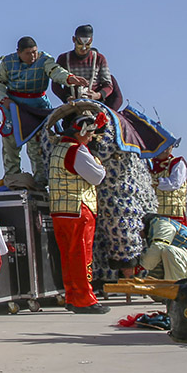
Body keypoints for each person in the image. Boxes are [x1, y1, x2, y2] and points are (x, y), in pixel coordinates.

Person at [0, 36, 88, 188]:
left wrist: (69, 79)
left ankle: (40, 183)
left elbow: (55, 71)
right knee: (10, 143)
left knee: (38, 146)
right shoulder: (8, 62)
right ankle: (13, 180)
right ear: (19, 53)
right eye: (28, 53)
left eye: (34, 52)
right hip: (14, 107)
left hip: (37, 107)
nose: (33, 56)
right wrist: (4, 99)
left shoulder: (44, 60)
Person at [47, 110, 110, 314]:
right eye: (90, 132)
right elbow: (97, 177)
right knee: (82, 257)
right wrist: (99, 163)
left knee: (68, 257)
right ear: (80, 131)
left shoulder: (58, 149)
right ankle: (85, 299)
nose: (92, 136)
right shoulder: (77, 151)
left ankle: (72, 296)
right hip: (78, 210)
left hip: (60, 210)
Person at [52, 24, 115, 104]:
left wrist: (97, 95)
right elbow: (55, 85)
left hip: (96, 104)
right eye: (80, 44)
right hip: (72, 105)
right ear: (74, 39)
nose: (84, 48)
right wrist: (67, 97)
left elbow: (108, 85)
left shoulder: (99, 58)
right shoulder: (63, 58)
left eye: (87, 45)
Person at [137, 213, 187, 280]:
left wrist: (139, 265)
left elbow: (157, 248)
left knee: (169, 250)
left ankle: (174, 286)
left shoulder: (162, 224)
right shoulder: (155, 226)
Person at [151, 143, 187, 225]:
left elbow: (174, 183)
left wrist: (155, 182)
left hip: (173, 215)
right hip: (152, 214)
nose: (164, 149)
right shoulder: (148, 163)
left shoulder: (177, 163)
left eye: (168, 146)